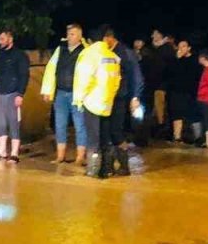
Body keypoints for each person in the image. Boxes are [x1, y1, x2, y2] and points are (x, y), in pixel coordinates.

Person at [73, 25, 122, 178]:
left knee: (93, 138)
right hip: (107, 103)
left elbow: (84, 79)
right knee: (105, 137)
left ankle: (93, 170)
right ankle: (107, 169)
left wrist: (79, 99)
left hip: (92, 102)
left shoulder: (89, 54)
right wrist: (110, 96)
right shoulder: (112, 56)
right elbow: (117, 80)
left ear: (89, 41)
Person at [40, 23, 89, 165]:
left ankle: (80, 157)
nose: (69, 37)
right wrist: (47, 90)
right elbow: (51, 69)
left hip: (77, 94)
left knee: (80, 126)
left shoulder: (85, 51)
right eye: (68, 34)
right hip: (60, 93)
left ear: (79, 36)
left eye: (72, 34)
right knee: (60, 125)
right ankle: (60, 156)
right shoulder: (60, 49)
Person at [0, 29, 30, 162]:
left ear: (10, 39)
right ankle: (1, 151)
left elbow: (24, 75)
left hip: (13, 93)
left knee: (14, 123)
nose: (0, 42)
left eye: (2, 39)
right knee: (0, 123)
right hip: (1, 93)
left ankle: (14, 153)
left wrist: (20, 94)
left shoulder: (20, 55)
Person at [106, 28, 144, 157]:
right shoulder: (106, 52)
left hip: (121, 96)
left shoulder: (126, 53)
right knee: (108, 129)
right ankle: (110, 159)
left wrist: (135, 97)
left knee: (117, 129)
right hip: (108, 96)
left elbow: (136, 75)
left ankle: (123, 160)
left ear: (110, 38)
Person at [167, 38, 200, 143]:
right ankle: (177, 136)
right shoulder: (175, 60)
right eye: (179, 46)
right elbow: (169, 73)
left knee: (192, 115)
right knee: (176, 113)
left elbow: (195, 75)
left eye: (184, 46)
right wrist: (177, 59)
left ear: (189, 48)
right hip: (177, 91)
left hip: (190, 92)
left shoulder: (194, 60)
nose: (181, 49)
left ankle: (197, 137)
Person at [143, 29, 172, 130]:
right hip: (152, 84)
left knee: (160, 108)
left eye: (155, 34)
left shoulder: (166, 49)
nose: (152, 36)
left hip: (162, 84)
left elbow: (165, 67)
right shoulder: (152, 49)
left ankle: (162, 127)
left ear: (160, 35)